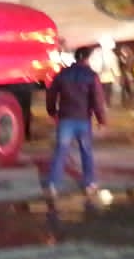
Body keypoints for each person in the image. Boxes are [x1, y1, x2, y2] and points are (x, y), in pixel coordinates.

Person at [44, 45, 108, 197]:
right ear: (87, 58)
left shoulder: (62, 74)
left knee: (61, 151)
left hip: (65, 118)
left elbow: (51, 94)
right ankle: (89, 183)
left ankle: (53, 184)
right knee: (86, 151)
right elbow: (97, 100)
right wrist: (101, 120)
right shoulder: (91, 75)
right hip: (83, 120)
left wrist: (52, 112)